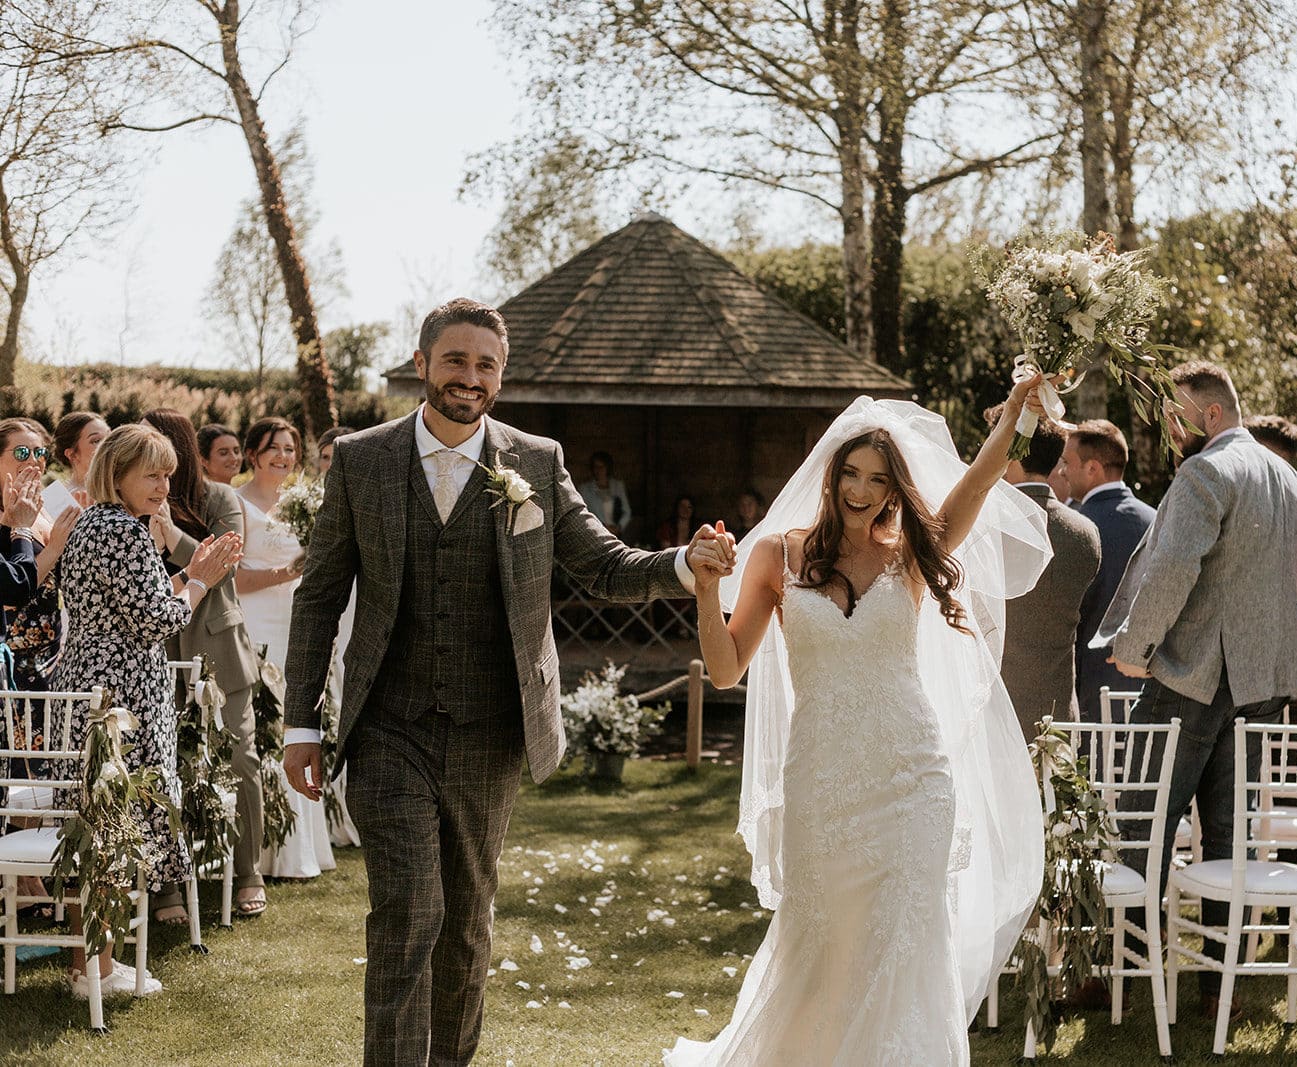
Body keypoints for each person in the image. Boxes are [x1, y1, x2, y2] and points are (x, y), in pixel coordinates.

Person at [281, 298, 715, 1066]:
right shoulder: (361, 459)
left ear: (501, 376)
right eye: (455, 359)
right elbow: (319, 595)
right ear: (422, 365)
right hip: (388, 725)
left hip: (491, 732)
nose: (469, 377)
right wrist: (301, 724)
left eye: (485, 364)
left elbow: (605, 565)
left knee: (467, 922)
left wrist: (684, 563)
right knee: (409, 910)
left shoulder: (536, 462)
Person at [666, 379, 1053, 1065]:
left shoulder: (910, 554)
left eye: (876, 478)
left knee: (906, 940)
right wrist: (704, 592)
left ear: (892, 488)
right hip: (822, 780)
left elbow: (974, 485)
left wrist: (1014, 415)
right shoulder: (777, 556)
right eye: (849, 472)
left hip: (913, 779)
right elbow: (725, 668)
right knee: (824, 944)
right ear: (830, 474)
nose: (859, 488)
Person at [1113, 361, 1297, 1019]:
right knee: (1231, 839)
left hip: (1188, 679)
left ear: (1210, 413)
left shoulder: (1205, 471)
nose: (1169, 426)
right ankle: (1218, 988)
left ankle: (1126, 982)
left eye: (1176, 413)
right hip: (1259, 688)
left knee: (1143, 824)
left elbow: (1169, 569)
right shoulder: (1287, 479)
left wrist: (1133, 650)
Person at [52, 424, 240, 996]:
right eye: (151, 475)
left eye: (167, 474)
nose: (163, 486)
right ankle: (97, 970)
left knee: (105, 821)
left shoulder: (94, 524)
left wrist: (187, 574)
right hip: (120, 695)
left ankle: (95, 963)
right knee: (113, 826)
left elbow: (144, 602)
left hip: (93, 680)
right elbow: (160, 620)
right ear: (117, 472)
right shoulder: (124, 532)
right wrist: (202, 582)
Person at [144, 410, 268, 919]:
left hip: (217, 643)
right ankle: (168, 884)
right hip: (156, 645)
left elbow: (227, 566)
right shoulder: (128, 503)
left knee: (240, 757)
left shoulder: (221, 499)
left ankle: (248, 872)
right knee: (160, 764)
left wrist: (172, 536)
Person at [236, 416, 334, 880]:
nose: (283, 457)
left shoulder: (304, 503)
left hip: (297, 622)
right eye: (274, 448)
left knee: (295, 724)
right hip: (256, 624)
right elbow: (233, 577)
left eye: (291, 449)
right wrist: (288, 572)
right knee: (260, 722)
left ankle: (296, 848)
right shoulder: (236, 503)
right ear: (253, 453)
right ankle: (256, 849)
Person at [987, 407, 1100, 742]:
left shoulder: (989, 527)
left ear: (1011, 454)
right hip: (1060, 716)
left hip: (998, 717)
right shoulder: (1085, 532)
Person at [1058, 419, 1156, 725]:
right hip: (1147, 685)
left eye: (1067, 463)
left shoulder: (1073, 525)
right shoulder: (1155, 520)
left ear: (1092, 469)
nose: (1062, 471)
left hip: (1090, 687)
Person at [0, 419, 81, 692]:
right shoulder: (7, 516)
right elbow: (12, 590)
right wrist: (55, 547)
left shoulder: (55, 498)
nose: (34, 460)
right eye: (22, 453)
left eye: (40, 452)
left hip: (54, 650)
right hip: (16, 651)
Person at [51, 411, 109, 496]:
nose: (109, 444)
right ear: (72, 455)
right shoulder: (56, 498)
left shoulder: (125, 487)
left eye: (109, 436)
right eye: (96, 441)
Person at [578, 451, 632, 537]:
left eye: (601, 467)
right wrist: (602, 527)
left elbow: (626, 511)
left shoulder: (618, 486)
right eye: (595, 467)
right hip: (595, 534)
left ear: (608, 468)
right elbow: (583, 514)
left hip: (616, 534)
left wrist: (618, 528)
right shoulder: (585, 489)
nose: (598, 470)